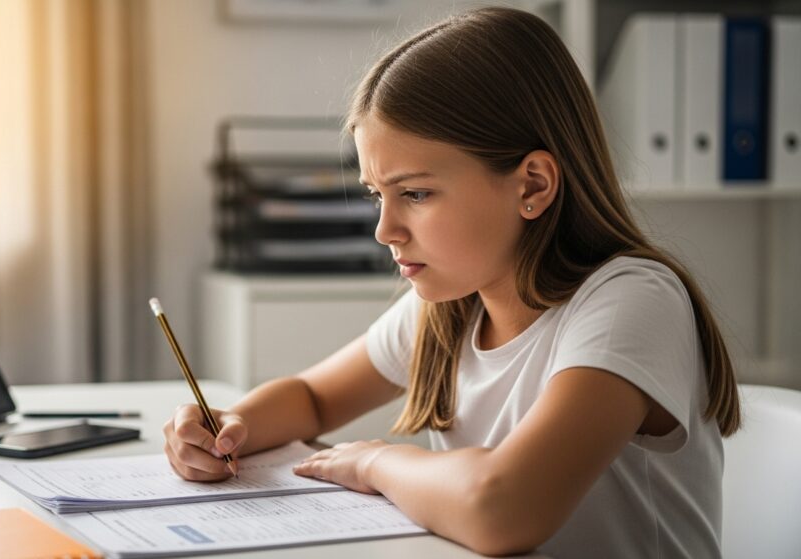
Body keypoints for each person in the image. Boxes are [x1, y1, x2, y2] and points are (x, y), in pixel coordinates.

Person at [162, 7, 740, 558]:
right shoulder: (453, 306)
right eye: (376, 195)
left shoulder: (630, 301)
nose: (385, 230)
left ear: (533, 186)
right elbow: (312, 400)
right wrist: (229, 427)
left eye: (414, 193)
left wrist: (374, 463)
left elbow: (504, 507)